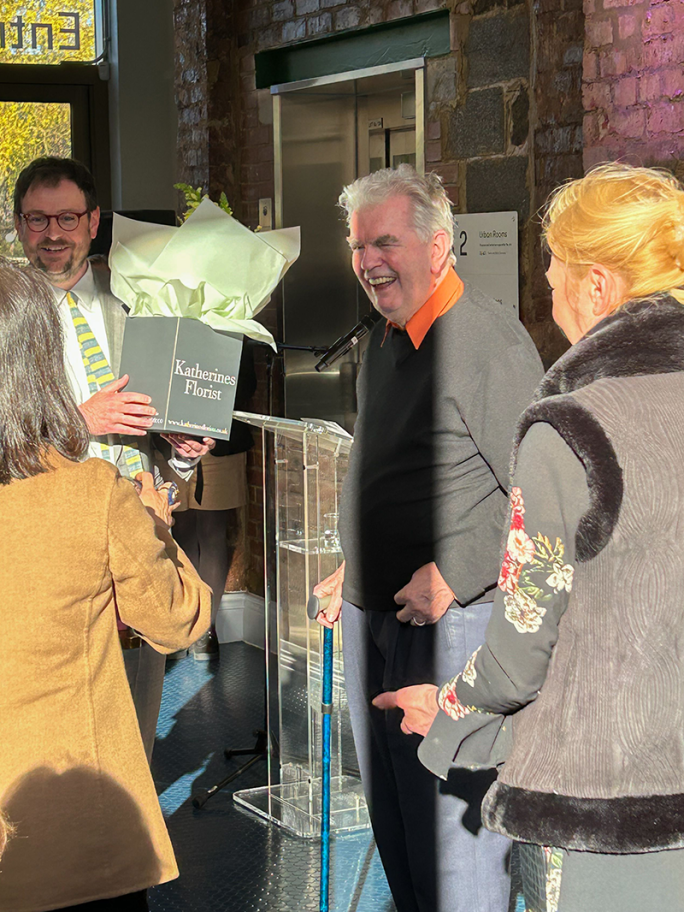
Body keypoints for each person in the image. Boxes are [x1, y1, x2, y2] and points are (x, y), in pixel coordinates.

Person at [377, 162, 684, 912]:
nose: (551, 308)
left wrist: (445, 708)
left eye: (553, 285)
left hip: (600, 811)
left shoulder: (574, 430)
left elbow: (518, 654)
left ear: (599, 287)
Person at [314, 165, 544, 912]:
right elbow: (395, 464)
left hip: (451, 624)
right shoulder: (384, 340)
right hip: (372, 618)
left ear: (439, 246)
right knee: (399, 830)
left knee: (454, 847)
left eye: (386, 242)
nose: (369, 261)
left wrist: (458, 569)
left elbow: (537, 491)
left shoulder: (486, 341)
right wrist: (352, 565)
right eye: (358, 245)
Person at [0, 259, 212, 910]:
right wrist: (153, 523)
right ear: (43, 364)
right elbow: (179, 619)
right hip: (73, 845)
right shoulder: (92, 494)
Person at [13, 156, 216, 760]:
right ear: (19, 225)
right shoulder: (8, 317)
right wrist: (81, 421)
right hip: (50, 561)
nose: (53, 233)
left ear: (95, 221)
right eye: (37, 219)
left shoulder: (142, 302)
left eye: (68, 218)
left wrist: (181, 454)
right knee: (62, 748)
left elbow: (158, 433)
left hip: (140, 537)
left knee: (135, 736)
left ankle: (135, 850)